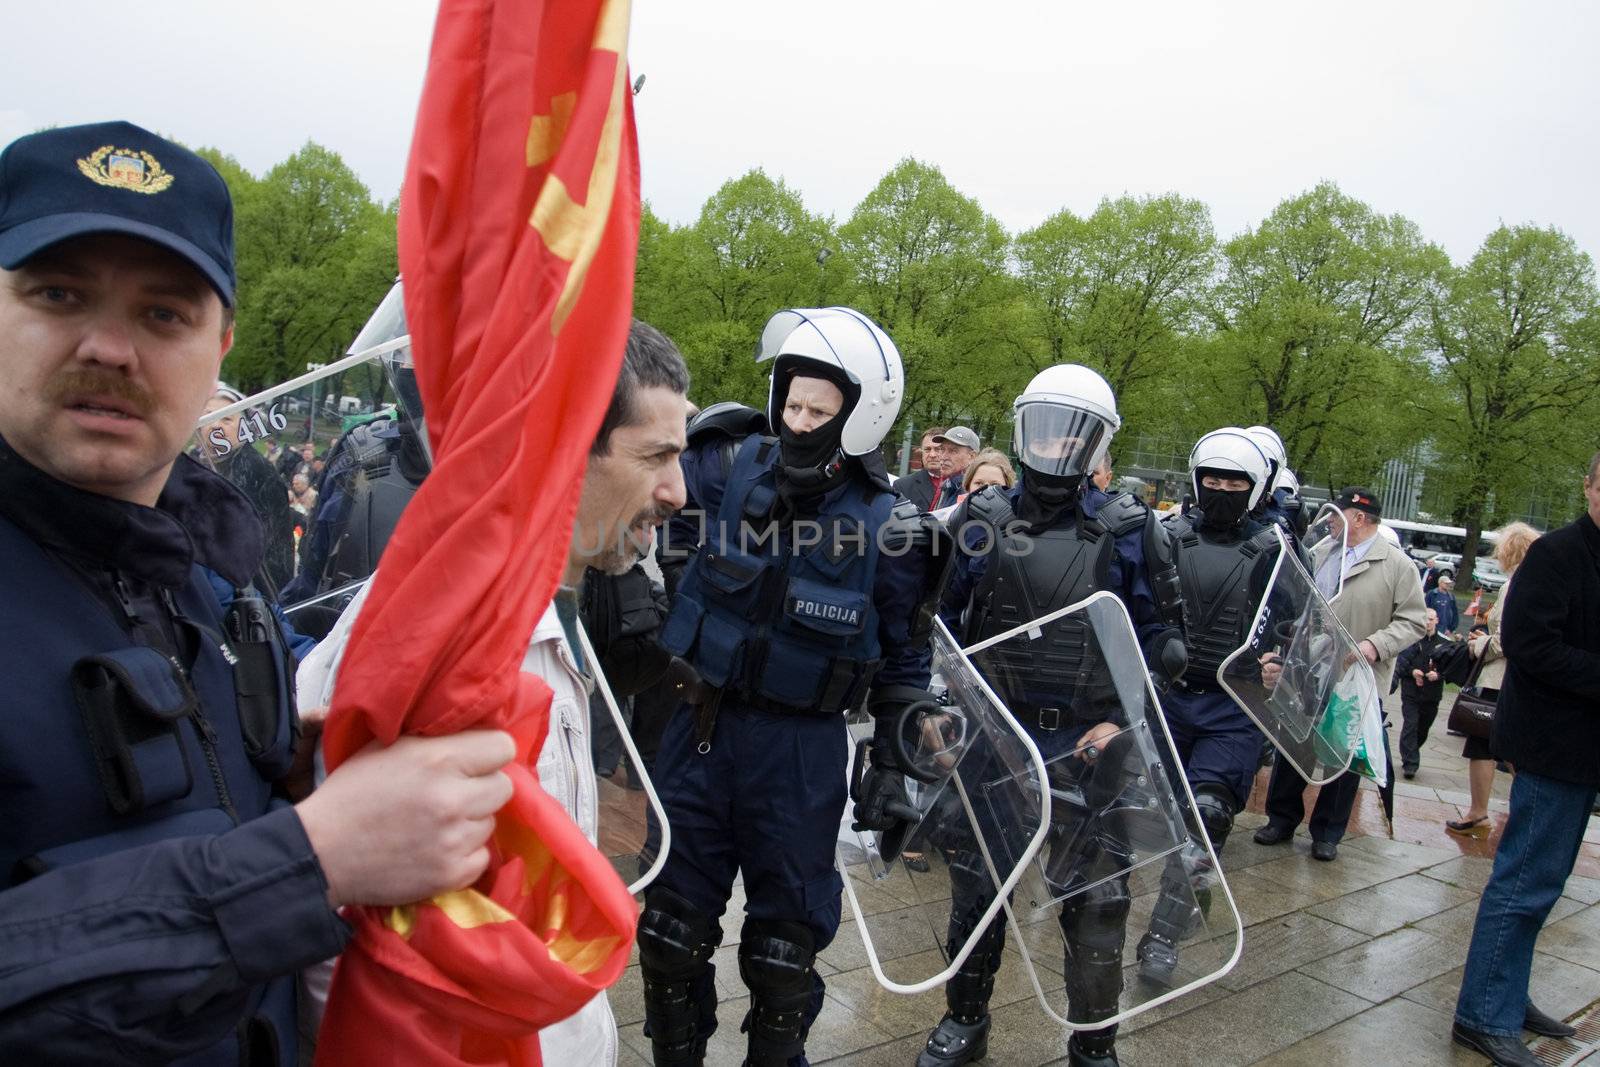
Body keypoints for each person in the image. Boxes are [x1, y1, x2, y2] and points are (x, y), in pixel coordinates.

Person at [0, 121, 519, 1064]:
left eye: (165, 314)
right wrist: (311, 857)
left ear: (219, 346)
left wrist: (292, 774)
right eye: (59, 293)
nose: (112, 347)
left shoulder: (213, 580)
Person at [297, 319, 691, 1063]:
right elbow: (346, 944)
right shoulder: (436, 643)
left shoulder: (536, 611)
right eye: (658, 455)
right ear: (566, 443)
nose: (678, 490)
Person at [642, 308, 944, 1067]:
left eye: (819, 408)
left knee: (784, 949)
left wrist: (892, 766)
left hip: (800, 750)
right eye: (792, 402)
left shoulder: (893, 528)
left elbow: (907, 661)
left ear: (861, 415)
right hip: (698, 725)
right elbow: (644, 484)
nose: (798, 420)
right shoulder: (729, 459)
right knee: (670, 929)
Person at [918, 364, 1187, 1067]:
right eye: (1047, 425)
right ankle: (964, 1018)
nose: (1058, 442)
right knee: (977, 885)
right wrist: (947, 705)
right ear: (1024, 427)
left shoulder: (1131, 530)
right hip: (998, 731)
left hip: (1090, 738)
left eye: (1076, 430)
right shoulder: (984, 517)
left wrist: (1132, 712)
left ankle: (1094, 1041)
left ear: (1099, 441)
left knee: (1097, 902)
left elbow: (1159, 641)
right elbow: (943, 623)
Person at [1450, 456, 1600, 1066]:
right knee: (1524, 883)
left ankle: (1507, 994)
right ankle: (1483, 1014)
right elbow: (1533, 647)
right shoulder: (1559, 553)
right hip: (1552, 745)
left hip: (1582, 750)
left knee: (1544, 883)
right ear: (1589, 486)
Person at [1133, 427, 1285, 987]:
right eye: (1213, 478)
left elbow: (1299, 628)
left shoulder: (1276, 551)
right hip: (1166, 697)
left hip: (1233, 706)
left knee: (1210, 816)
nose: (1222, 488)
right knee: (1141, 815)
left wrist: (1280, 661)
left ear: (1256, 486)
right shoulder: (1163, 535)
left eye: (1235, 480)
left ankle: (1164, 935)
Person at [1254, 487, 1425, 861]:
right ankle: (1281, 819)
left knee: (1341, 755)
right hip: (1307, 668)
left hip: (1356, 680)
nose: (1329, 520)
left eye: (1337, 514)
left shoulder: (1397, 565)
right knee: (1293, 744)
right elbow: (1295, 600)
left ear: (1359, 518)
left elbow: (1414, 621)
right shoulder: (1321, 554)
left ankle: (1327, 832)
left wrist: (1373, 646)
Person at [1446, 522, 1540, 837]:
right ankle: (1523, 813)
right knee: (1505, 749)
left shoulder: (1515, 585)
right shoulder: (1532, 583)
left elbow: (1506, 640)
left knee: (1484, 746)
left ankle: (1480, 813)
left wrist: (1478, 644)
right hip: (1511, 680)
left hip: (1498, 680)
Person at [200, 383, 299, 592]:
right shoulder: (200, 463)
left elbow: (265, 549)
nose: (215, 425)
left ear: (245, 427)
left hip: (252, 592)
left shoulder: (255, 470)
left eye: (227, 418)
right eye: (208, 415)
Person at [1393, 608, 1452, 780]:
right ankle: (1410, 763)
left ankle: (1411, 751)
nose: (1427, 622)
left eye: (1431, 619)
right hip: (1411, 691)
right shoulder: (1412, 640)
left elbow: (1450, 667)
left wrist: (1439, 675)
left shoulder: (1444, 642)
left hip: (1431, 694)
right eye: (1425, 619)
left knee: (1422, 728)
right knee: (1410, 724)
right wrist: (1413, 672)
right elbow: (1401, 663)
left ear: (1437, 620)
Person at [896, 425, 948, 511]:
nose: (932, 455)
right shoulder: (903, 486)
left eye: (938, 449)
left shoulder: (965, 485)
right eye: (927, 449)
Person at [929, 425, 979, 508]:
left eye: (953, 451)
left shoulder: (974, 490)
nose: (943, 457)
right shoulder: (948, 485)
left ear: (972, 457)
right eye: (942, 449)